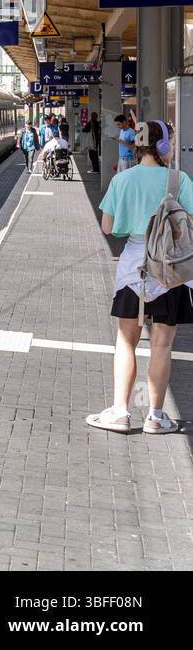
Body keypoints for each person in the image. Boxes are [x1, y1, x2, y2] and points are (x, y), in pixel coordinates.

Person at [87, 121, 192, 435]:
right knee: (162, 345)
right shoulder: (179, 179)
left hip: (133, 268)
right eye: (171, 141)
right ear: (161, 147)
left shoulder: (123, 179)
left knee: (126, 341)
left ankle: (120, 412)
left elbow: (108, 228)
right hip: (170, 270)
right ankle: (156, 417)